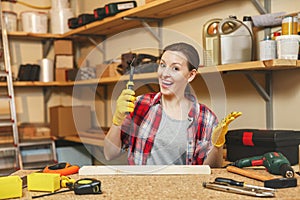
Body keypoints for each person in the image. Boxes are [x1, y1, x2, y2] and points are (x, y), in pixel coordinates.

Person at [104, 42, 241, 167]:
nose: (165, 74)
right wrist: (117, 121)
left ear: (191, 75)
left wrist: (217, 146)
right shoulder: (140, 104)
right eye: (162, 65)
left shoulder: (206, 118)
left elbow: (213, 168)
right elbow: (109, 154)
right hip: (141, 189)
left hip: (182, 190)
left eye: (175, 68)